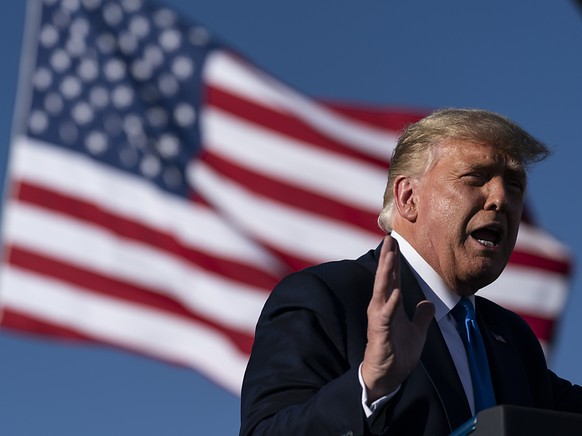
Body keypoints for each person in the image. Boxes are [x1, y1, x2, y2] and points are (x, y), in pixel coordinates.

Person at [239, 108, 582, 436]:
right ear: (408, 197)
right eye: (475, 178)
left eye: (514, 186)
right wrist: (370, 385)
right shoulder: (325, 298)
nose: (500, 199)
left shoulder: (511, 337)